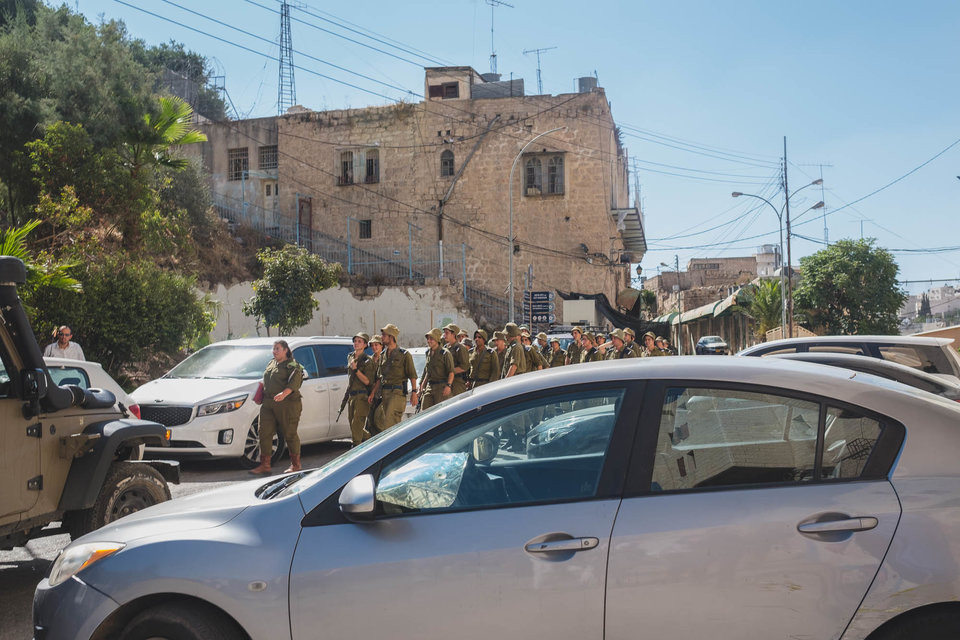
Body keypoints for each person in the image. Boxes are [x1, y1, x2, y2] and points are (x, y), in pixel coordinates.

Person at [250, 340, 304, 475]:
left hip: (287, 404)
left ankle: (296, 465)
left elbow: (295, 382)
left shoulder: (292, 365)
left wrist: (284, 393)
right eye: (273, 349)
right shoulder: (271, 363)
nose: (274, 351)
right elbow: (267, 381)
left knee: (290, 433)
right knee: (264, 432)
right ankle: (265, 465)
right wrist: (259, 394)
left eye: (277, 348)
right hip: (268, 403)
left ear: (286, 350)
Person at [370, 324, 418, 434]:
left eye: (384, 335)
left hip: (397, 393)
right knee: (391, 426)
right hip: (385, 393)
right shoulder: (383, 355)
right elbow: (379, 377)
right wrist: (373, 393)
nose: (381, 337)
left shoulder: (404, 355)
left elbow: (412, 375)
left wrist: (414, 392)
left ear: (391, 337)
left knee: (388, 424)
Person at [346, 332, 376, 446]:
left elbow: (368, 381)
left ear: (365, 345)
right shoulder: (350, 357)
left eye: (359, 341)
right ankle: (371, 439)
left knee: (356, 424)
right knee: (352, 424)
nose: (356, 343)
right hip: (352, 396)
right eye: (355, 341)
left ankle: (355, 447)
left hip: (362, 396)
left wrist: (356, 370)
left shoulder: (367, 361)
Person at [419, 328, 454, 411]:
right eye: (428, 339)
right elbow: (427, 371)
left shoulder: (445, 353)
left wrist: (448, 386)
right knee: (424, 411)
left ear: (437, 339)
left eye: (431, 339)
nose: (429, 341)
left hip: (441, 387)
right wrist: (422, 386)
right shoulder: (428, 352)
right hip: (430, 387)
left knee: (440, 412)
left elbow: (451, 372)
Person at [443, 323, 470, 396]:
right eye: (444, 333)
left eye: (447, 333)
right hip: (446, 382)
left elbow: (464, 367)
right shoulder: (445, 348)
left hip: (457, 383)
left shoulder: (460, 348)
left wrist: (450, 372)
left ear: (453, 334)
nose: (444, 335)